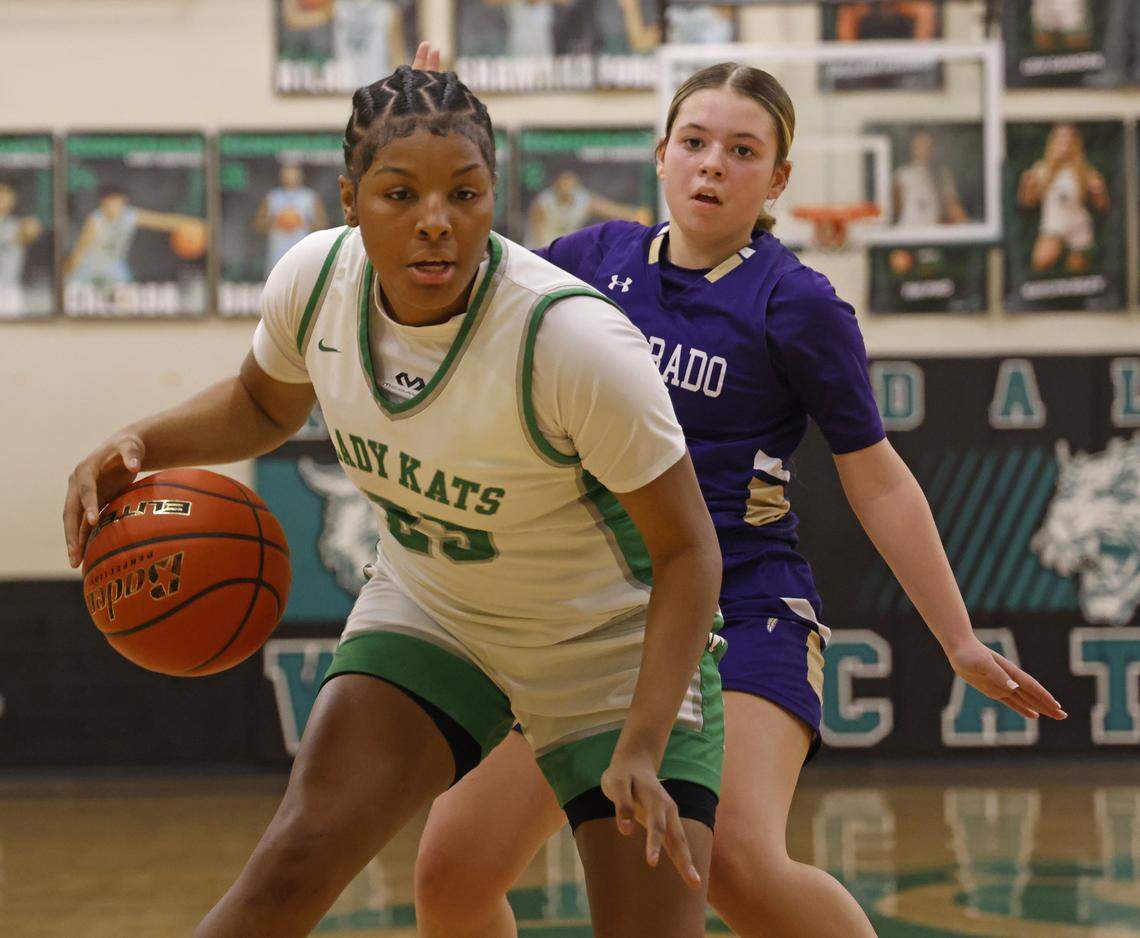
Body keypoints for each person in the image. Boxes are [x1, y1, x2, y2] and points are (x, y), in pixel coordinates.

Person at [408, 49, 1068, 938]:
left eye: (743, 151)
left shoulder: (799, 304)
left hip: (742, 607)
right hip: (594, 613)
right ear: (661, 155)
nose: (713, 163)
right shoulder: (585, 261)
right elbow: (457, 280)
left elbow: (875, 478)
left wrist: (957, 640)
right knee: (452, 869)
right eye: (695, 141)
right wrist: (435, 127)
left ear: (779, 179)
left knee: (734, 860)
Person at [62, 60, 727, 938]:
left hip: (604, 650)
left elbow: (689, 551)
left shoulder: (571, 341)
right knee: (293, 863)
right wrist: (143, 442)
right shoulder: (314, 282)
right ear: (349, 199)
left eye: (465, 193)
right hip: (438, 611)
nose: (436, 224)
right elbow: (264, 403)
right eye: (399, 194)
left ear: (497, 196)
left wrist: (640, 743)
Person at [64, 185, 203, 286]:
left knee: (125, 297)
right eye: (113, 202)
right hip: (91, 264)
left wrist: (191, 222)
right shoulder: (95, 221)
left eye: (120, 202)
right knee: (73, 289)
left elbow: (160, 220)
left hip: (114, 265)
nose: (116, 206)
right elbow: (80, 249)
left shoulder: (128, 215)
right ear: (104, 203)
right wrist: (67, 272)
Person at [1017, 122, 1108, 274]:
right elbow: (1027, 203)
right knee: (1041, 264)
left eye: (1068, 139)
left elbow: (1102, 206)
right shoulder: (1041, 169)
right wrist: (1026, 186)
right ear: (1053, 142)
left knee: (1077, 275)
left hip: (1079, 227)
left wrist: (1098, 191)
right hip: (1053, 226)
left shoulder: (1084, 170)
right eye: (1060, 138)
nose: (1064, 143)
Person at [526, 169, 651, 247]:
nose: (567, 187)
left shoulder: (582, 200)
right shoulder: (542, 203)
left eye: (570, 183)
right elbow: (537, 236)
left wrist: (634, 214)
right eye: (564, 183)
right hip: (541, 252)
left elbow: (609, 209)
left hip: (564, 251)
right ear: (556, 184)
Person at [253, 162, 329, 275]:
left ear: (300, 176)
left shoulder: (309, 197)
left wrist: (302, 222)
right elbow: (258, 224)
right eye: (287, 174)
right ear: (281, 176)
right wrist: (275, 222)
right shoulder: (273, 196)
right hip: (277, 256)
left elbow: (323, 225)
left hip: (302, 253)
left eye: (294, 174)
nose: (290, 178)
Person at [893, 128, 968, 227]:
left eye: (927, 145)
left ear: (933, 148)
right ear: (912, 147)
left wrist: (967, 227)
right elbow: (894, 211)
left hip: (932, 235)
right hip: (907, 234)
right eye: (919, 145)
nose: (923, 149)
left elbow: (953, 207)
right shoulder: (902, 174)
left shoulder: (941, 175)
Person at [0, 180, 44, 314]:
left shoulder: (16, 225)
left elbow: (32, 229)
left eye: (7, 196)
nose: (3, 200)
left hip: (9, 289)